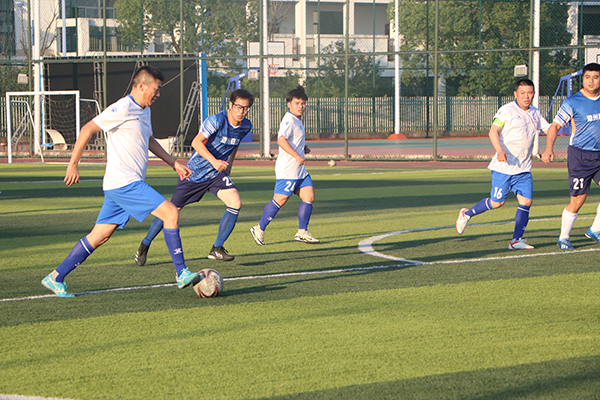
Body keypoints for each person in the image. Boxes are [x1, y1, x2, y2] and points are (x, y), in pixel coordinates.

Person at [41, 65, 198, 298]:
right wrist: (73, 164)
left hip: (118, 186)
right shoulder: (122, 107)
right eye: (156, 89)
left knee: (99, 236)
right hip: (126, 183)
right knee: (170, 212)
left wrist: (173, 163)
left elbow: (149, 139)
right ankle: (181, 273)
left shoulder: (144, 110)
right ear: (141, 86)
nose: (158, 94)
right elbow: (87, 129)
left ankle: (56, 277)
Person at [134, 89, 254, 265]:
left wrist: (230, 162)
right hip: (194, 174)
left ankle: (217, 248)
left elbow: (235, 143)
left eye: (245, 108)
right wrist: (214, 161)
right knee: (171, 211)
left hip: (216, 174)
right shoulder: (216, 120)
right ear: (230, 105)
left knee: (235, 202)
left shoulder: (245, 125)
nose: (241, 111)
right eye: (238, 107)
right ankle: (145, 244)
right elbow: (196, 142)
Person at [455, 78, 550, 249]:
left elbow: (550, 129)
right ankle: (466, 214)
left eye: (530, 93)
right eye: (523, 93)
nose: (526, 96)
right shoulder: (507, 110)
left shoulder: (535, 113)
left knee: (526, 201)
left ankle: (516, 241)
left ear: (534, 94)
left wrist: (556, 136)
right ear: (515, 94)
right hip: (503, 168)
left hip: (523, 169)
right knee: (497, 203)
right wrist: (499, 151)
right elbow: (493, 131)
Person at [250, 85, 319, 246]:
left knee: (309, 197)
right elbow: (281, 140)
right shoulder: (288, 120)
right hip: (288, 169)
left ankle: (302, 232)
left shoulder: (296, 119)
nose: (301, 106)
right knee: (280, 200)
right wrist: (297, 155)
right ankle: (259, 229)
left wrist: (302, 148)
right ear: (288, 104)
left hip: (299, 170)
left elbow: (292, 140)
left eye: (303, 103)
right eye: (297, 103)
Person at [542, 62, 600, 250]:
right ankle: (564, 237)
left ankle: (595, 230)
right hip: (580, 156)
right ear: (582, 79)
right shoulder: (572, 102)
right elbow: (555, 126)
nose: (591, 81)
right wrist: (549, 148)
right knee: (578, 201)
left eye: (595, 77)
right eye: (588, 77)